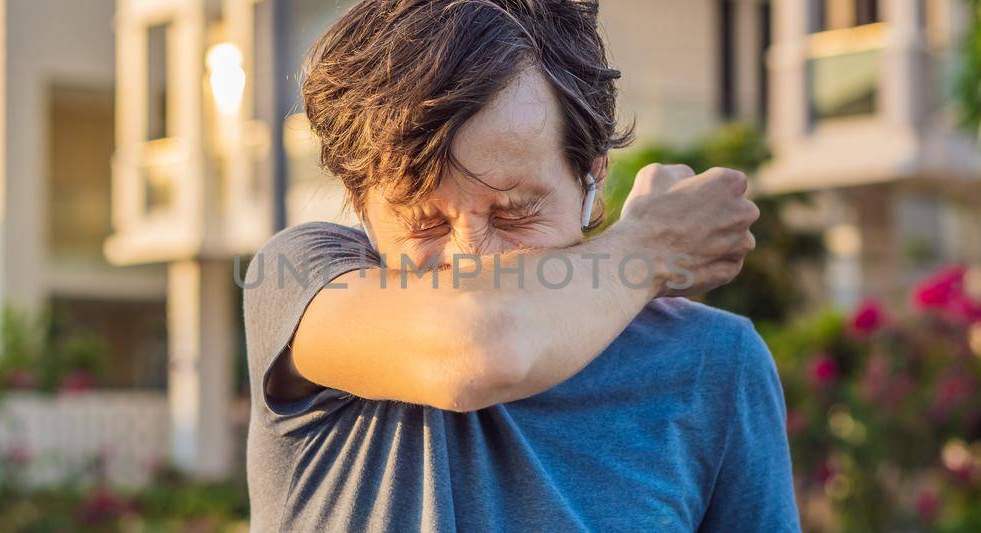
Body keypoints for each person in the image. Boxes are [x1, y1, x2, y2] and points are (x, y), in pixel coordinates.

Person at [242, 0, 799, 530]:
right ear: (360, 204)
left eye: (513, 215)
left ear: (593, 180)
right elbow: (484, 346)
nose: (470, 260)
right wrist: (649, 247)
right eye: (425, 222)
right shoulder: (301, 280)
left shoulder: (714, 361)